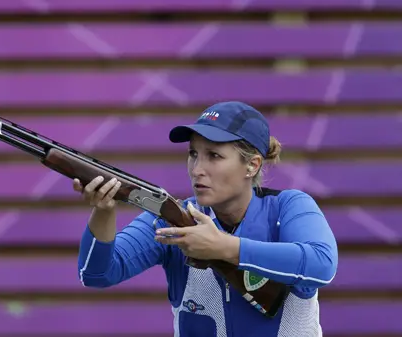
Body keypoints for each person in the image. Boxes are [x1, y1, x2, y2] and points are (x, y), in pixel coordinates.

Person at [72, 101, 338, 337]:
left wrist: (224, 248)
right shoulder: (175, 219)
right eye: (193, 154)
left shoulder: (288, 207)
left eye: (214, 156)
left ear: (252, 165)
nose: (198, 169)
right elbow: (96, 274)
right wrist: (104, 210)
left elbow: (322, 265)